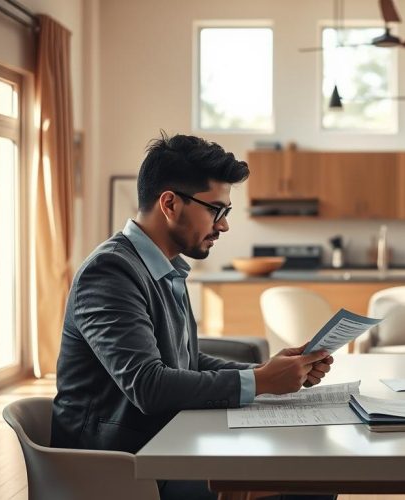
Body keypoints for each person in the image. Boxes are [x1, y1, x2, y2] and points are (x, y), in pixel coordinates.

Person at [51, 133, 335, 500]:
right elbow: (148, 385)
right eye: (216, 210)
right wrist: (262, 381)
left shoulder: (165, 266)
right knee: (307, 487)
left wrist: (268, 371)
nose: (224, 225)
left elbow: (186, 360)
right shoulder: (110, 272)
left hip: (165, 444)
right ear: (169, 203)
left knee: (308, 476)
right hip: (122, 468)